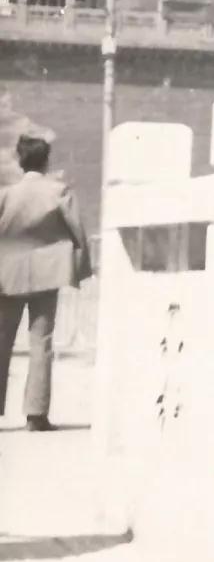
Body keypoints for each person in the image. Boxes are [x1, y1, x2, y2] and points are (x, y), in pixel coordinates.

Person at [0, 128, 92, 430]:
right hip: (47, 273)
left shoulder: (6, 195)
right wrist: (82, 269)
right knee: (42, 342)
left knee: (1, 341)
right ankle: (36, 414)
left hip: (7, 275)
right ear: (45, 161)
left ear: (20, 161)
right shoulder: (59, 191)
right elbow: (78, 232)